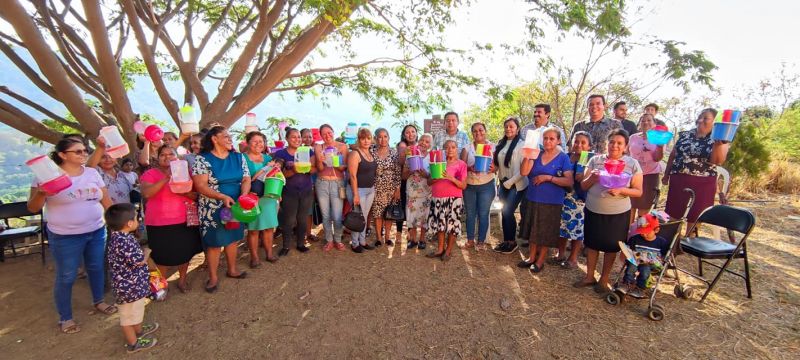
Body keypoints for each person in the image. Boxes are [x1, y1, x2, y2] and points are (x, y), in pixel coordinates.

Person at [27, 137, 116, 334]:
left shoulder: (92, 173)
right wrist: (41, 193)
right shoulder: (45, 176)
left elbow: (107, 201)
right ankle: (65, 317)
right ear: (62, 155)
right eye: (78, 151)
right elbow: (32, 208)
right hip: (65, 236)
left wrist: (118, 223)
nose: (84, 154)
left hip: (96, 230)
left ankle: (99, 301)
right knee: (67, 275)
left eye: (85, 150)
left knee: (96, 268)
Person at [575, 129, 643, 293]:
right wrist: (593, 178)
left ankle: (604, 280)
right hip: (593, 209)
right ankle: (589, 276)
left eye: (619, 143)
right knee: (592, 244)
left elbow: (638, 191)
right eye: (612, 142)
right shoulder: (595, 160)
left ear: (625, 146)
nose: (615, 146)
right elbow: (583, 185)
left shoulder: (632, 164)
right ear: (607, 144)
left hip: (618, 214)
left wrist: (621, 190)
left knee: (611, 247)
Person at [192, 126, 251, 293]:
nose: (230, 139)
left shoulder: (238, 157)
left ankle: (232, 270)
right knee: (214, 243)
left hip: (236, 204)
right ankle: (213, 277)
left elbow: (246, 178)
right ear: (214, 139)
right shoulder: (202, 159)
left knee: (233, 237)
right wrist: (222, 197)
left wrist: (243, 196)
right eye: (225, 136)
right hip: (212, 208)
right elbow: (200, 186)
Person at [140, 145, 202, 293]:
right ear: (157, 158)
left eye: (171, 154)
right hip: (158, 222)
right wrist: (167, 178)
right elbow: (147, 193)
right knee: (161, 256)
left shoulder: (186, 172)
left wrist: (183, 192)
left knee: (185, 253)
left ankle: (182, 280)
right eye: (163, 155)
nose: (167, 157)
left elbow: (196, 195)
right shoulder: (150, 174)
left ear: (177, 157)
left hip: (183, 220)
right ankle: (162, 285)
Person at [662, 108, 731, 235]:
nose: (700, 120)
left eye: (705, 118)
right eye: (699, 117)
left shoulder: (720, 138)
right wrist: (666, 174)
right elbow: (673, 154)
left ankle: (689, 241)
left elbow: (717, 161)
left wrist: (718, 145)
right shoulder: (685, 135)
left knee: (695, 216)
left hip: (703, 184)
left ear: (715, 122)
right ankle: (671, 241)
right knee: (673, 213)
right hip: (679, 180)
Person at [104, 203, 159, 353]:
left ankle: (139, 330)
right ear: (129, 223)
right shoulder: (124, 241)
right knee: (127, 317)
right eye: (136, 218)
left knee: (135, 311)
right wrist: (146, 253)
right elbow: (138, 261)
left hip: (129, 285)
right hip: (129, 288)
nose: (138, 221)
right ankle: (133, 344)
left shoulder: (118, 236)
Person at [517, 128, 573, 273]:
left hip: (552, 201)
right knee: (533, 229)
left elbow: (568, 181)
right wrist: (528, 155)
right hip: (533, 198)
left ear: (558, 141)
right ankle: (531, 257)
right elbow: (524, 172)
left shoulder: (563, 158)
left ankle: (540, 260)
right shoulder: (536, 154)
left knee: (545, 232)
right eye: (545, 138)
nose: (548, 141)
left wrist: (548, 178)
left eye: (552, 138)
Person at [274, 128, 316, 256]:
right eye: (293, 137)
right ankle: (286, 246)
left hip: (306, 191)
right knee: (289, 219)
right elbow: (280, 174)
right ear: (287, 138)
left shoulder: (307, 151)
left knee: (302, 219)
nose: (297, 139)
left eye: (298, 137)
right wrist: (293, 170)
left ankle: (300, 244)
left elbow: (314, 169)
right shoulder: (281, 153)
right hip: (289, 191)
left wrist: (306, 168)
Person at [243, 131, 281, 265]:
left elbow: (275, 177)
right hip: (251, 197)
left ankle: (269, 253)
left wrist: (279, 195)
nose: (258, 144)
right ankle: (254, 257)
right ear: (248, 143)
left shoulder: (267, 158)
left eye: (261, 141)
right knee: (253, 229)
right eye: (255, 141)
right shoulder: (242, 158)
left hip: (268, 197)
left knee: (269, 227)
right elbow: (244, 178)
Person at [426, 140, 467, 261]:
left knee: (452, 225)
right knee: (440, 225)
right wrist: (436, 177)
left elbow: (463, 185)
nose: (450, 149)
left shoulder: (461, 164)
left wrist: (451, 178)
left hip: (454, 199)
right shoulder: (437, 162)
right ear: (443, 150)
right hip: (438, 197)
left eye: (453, 147)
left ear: (457, 149)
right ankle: (440, 249)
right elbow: (429, 182)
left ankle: (448, 251)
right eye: (447, 147)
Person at [557, 131, 593, 269]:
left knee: (576, 229)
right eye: (576, 141)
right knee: (561, 226)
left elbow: (586, 179)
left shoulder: (589, 159)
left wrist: (583, 175)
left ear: (589, 146)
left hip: (579, 199)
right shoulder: (565, 157)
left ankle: (573, 258)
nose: (579, 145)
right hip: (562, 196)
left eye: (583, 143)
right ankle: (560, 253)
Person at [493, 117, 528, 254]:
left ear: (517, 129)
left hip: (517, 184)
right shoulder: (501, 144)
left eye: (511, 126)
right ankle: (506, 241)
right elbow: (499, 165)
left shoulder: (522, 145)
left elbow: (524, 170)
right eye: (506, 126)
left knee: (508, 211)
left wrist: (510, 182)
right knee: (504, 212)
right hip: (503, 184)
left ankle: (512, 242)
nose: (508, 129)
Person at [313, 124, 349, 251]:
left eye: (329, 132)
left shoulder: (342, 146)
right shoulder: (318, 147)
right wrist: (321, 160)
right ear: (321, 136)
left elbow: (343, 168)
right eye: (324, 134)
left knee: (337, 215)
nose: (327, 136)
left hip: (338, 183)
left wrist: (335, 161)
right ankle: (329, 240)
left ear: (333, 132)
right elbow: (319, 169)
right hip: (322, 183)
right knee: (325, 214)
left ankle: (338, 239)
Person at [461, 122, 496, 251]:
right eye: (475, 131)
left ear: (485, 131)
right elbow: (461, 167)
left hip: (487, 186)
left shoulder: (493, 147)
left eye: (480, 130)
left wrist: (493, 168)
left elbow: (497, 166)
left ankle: (481, 241)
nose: (478, 133)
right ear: (472, 133)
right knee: (470, 214)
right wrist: (470, 168)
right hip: (470, 186)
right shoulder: (467, 148)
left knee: (483, 214)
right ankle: (470, 240)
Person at [619, 213, 670, 298]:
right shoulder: (635, 239)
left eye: (647, 232)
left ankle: (640, 288)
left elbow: (664, 255)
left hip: (650, 264)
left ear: (656, 230)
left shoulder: (661, 242)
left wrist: (660, 260)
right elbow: (630, 250)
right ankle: (626, 283)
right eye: (642, 232)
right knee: (631, 266)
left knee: (645, 269)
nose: (644, 234)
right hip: (636, 261)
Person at [629, 114, 665, 222]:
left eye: (649, 120)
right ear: (639, 123)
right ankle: (627, 230)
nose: (645, 122)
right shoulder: (633, 137)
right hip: (633, 175)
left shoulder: (658, 138)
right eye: (643, 120)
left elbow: (657, 158)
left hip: (650, 176)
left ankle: (639, 230)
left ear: (654, 124)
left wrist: (660, 146)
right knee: (630, 206)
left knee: (644, 209)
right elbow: (627, 153)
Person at [347, 128, 378, 253]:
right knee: (358, 217)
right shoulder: (355, 154)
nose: (366, 141)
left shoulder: (370, 153)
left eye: (368, 138)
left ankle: (362, 241)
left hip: (370, 189)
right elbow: (352, 175)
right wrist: (355, 194)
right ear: (359, 140)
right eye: (363, 138)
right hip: (358, 190)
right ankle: (355, 243)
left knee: (364, 217)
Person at [370, 128, 402, 247]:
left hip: (391, 188)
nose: (383, 139)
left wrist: (397, 189)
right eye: (380, 137)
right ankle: (378, 238)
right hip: (376, 187)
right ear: (375, 138)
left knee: (389, 213)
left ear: (389, 138)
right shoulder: (372, 151)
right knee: (377, 214)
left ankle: (387, 237)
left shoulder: (394, 152)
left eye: (385, 136)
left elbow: (398, 172)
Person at [402, 133, 432, 250]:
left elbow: (434, 176)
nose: (424, 143)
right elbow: (403, 176)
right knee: (412, 215)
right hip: (412, 192)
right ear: (418, 141)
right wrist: (411, 170)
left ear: (430, 145)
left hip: (426, 191)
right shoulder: (410, 155)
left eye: (427, 141)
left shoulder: (432, 157)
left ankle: (422, 239)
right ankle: (413, 239)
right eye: (422, 140)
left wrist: (426, 174)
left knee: (425, 216)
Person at [395, 124, 419, 246]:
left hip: (416, 181)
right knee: (402, 205)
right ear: (404, 135)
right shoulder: (402, 145)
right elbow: (401, 162)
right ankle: (399, 232)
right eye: (408, 132)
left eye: (413, 131)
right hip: (403, 180)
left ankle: (410, 233)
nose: (411, 134)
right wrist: (405, 151)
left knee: (412, 207)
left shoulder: (420, 146)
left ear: (416, 133)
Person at [300, 128, 320, 243]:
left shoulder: (315, 150)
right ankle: (301, 233)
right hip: (299, 184)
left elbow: (316, 168)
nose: (308, 139)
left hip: (311, 184)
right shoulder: (298, 150)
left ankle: (308, 232)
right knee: (299, 210)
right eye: (305, 137)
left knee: (309, 210)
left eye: (310, 137)